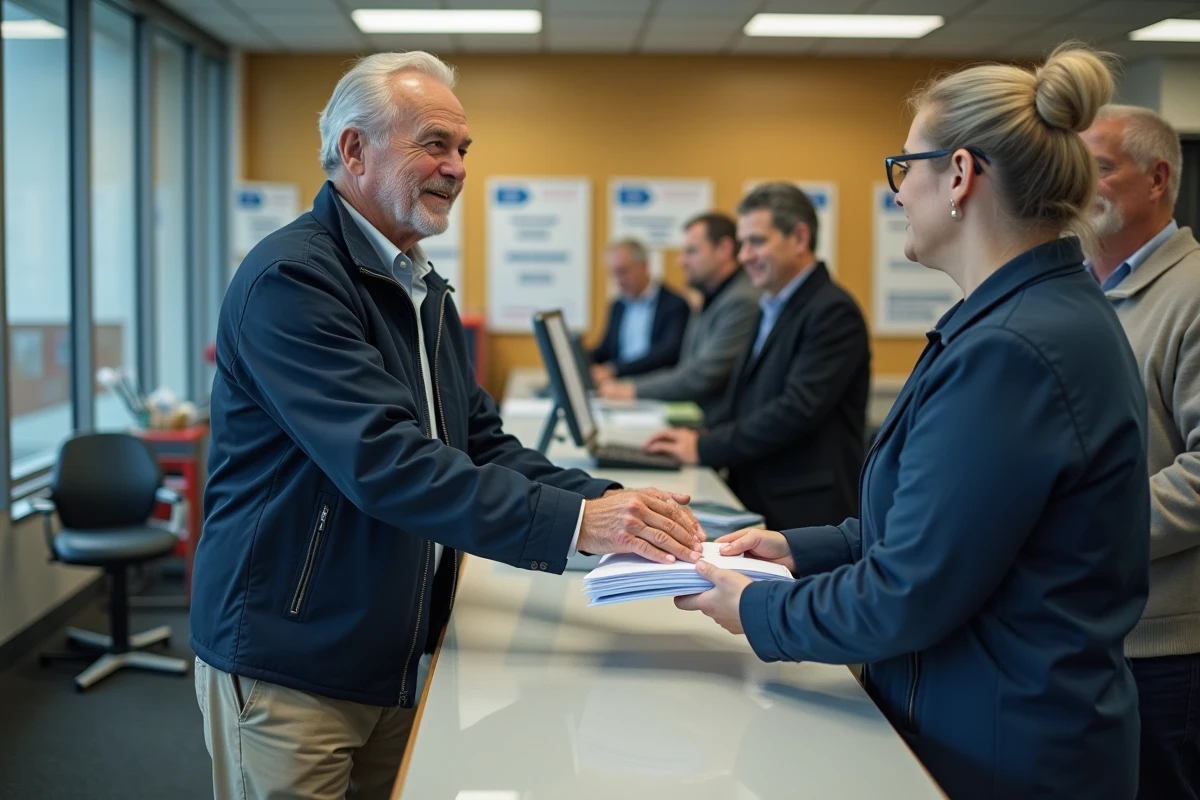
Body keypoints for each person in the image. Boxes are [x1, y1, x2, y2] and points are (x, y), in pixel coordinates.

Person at [190, 52, 703, 800]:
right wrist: (579, 525)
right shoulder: (292, 280)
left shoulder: (421, 286)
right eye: (434, 144)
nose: (457, 168)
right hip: (290, 659)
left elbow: (479, 442)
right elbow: (387, 463)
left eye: (462, 149)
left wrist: (615, 505)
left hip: (393, 653)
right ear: (354, 150)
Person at [675, 45, 1151, 798]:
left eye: (904, 168)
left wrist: (754, 606)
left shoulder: (1012, 349)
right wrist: (796, 549)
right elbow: (937, 528)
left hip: (1007, 754)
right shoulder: (1020, 318)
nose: (897, 193)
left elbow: (906, 592)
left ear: (959, 175)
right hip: (995, 727)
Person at [1083, 104, 1200, 800]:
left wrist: (1083, 526)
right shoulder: (1080, 290)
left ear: (1157, 179)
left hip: (1166, 648)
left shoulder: (1193, 293)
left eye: (1099, 168)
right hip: (1092, 633)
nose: (1078, 185)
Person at [644, 183, 870, 530]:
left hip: (803, 512)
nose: (745, 256)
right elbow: (749, 400)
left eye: (757, 242)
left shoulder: (832, 311)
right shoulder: (769, 304)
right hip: (757, 492)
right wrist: (697, 434)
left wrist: (704, 447)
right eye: (742, 244)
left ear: (799, 238)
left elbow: (795, 410)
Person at [596, 212, 760, 417]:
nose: (681, 261)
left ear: (724, 249)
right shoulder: (710, 298)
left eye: (691, 251)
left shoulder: (740, 300)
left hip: (717, 422)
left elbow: (701, 375)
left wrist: (631, 389)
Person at [588, 238, 690, 383]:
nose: (618, 281)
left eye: (623, 272)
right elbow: (606, 350)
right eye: (613, 273)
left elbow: (667, 353)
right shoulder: (617, 306)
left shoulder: (674, 305)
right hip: (616, 385)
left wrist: (615, 370)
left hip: (654, 384)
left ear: (644, 267)